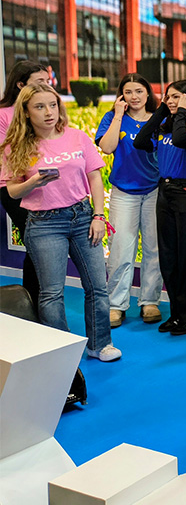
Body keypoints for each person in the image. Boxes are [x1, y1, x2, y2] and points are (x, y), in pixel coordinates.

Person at [0, 83, 120, 361]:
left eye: (52, 105)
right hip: (44, 224)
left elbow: (95, 177)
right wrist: (33, 182)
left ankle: (100, 345)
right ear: (26, 112)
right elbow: (12, 191)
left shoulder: (77, 136)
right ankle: (62, 354)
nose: (48, 112)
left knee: (97, 287)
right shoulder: (15, 146)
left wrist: (98, 216)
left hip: (82, 217)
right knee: (52, 293)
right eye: (39, 107)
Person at [134, 79, 186, 336]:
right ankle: (178, 313)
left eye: (177, 96)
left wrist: (182, 112)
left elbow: (180, 140)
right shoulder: (166, 126)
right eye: (168, 96)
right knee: (169, 257)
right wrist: (163, 110)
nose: (171, 101)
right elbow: (140, 141)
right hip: (165, 191)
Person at [96, 73, 162, 327]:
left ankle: (150, 301)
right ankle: (116, 304)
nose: (134, 97)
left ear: (148, 93)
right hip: (123, 192)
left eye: (139, 91)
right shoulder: (113, 118)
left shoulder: (159, 119)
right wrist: (118, 115)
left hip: (155, 191)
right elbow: (107, 147)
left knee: (154, 249)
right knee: (121, 248)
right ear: (121, 95)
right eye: (128, 92)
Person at [0, 60, 50, 307]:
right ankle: (32, 303)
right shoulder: (4, 115)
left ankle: (37, 301)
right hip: (14, 188)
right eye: (40, 82)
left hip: (42, 185)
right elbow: (6, 151)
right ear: (21, 85)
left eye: (48, 81)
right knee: (36, 242)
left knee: (39, 245)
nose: (47, 86)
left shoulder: (46, 111)